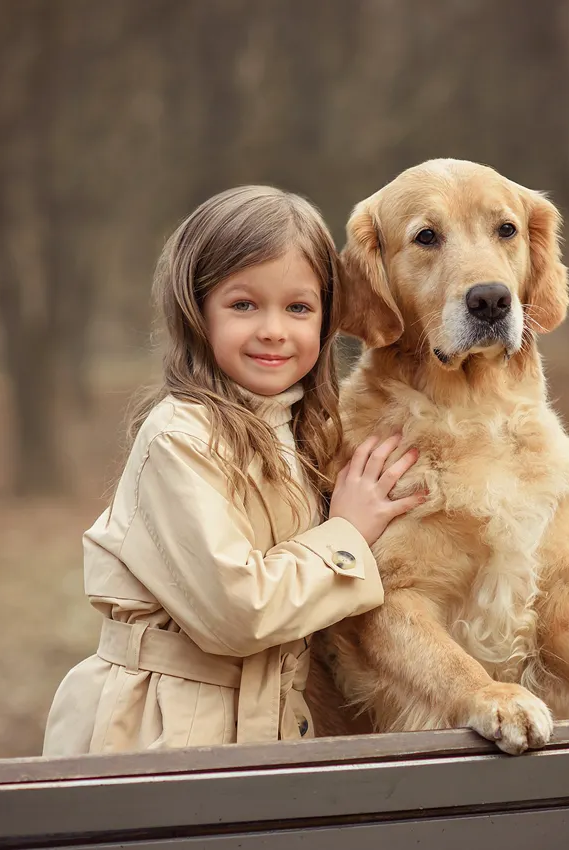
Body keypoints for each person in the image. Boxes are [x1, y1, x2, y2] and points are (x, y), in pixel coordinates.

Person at [42, 185, 424, 755]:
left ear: (326, 320)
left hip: (269, 726)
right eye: (244, 305)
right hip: (159, 734)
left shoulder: (309, 433)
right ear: (196, 311)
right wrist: (347, 535)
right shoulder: (181, 438)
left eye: (298, 308)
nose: (273, 329)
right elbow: (240, 613)